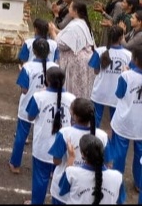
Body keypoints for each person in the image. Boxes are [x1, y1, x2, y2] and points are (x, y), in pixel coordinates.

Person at [25, 66, 76, 205]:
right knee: (60, 177)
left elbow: (30, 117)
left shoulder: (38, 97)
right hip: (62, 149)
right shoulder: (72, 98)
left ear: (47, 80)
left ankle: (36, 202)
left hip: (42, 147)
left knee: (40, 180)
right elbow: (73, 121)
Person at [48, 98, 110, 204]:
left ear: (75, 116)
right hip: (88, 189)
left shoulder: (64, 133)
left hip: (63, 190)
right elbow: (107, 163)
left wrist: (71, 158)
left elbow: (56, 161)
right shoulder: (103, 136)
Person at [9, 39, 58, 174]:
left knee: (21, 135)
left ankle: (15, 164)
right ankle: (52, 167)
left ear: (34, 51)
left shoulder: (28, 67)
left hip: (28, 105)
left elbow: (24, 90)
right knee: (49, 135)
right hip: (48, 106)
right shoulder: (55, 67)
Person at [108, 45, 142, 190]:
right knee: (140, 154)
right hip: (140, 123)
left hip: (124, 121)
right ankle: (139, 183)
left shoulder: (126, 76)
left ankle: (117, 181)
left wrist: (124, 72)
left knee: (120, 153)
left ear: (134, 59)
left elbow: (119, 94)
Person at [58, 134, 125, 205]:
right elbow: (120, 201)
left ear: (82, 154)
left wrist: (71, 157)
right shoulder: (118, 177)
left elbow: (62, 191)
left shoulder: (71, 173)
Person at [49, 0, 95, 98]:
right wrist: (57, 30)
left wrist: (53, 33)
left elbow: (63, 44)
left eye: (70, 7)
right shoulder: (81, 22)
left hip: (76, 61)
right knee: (81, 89)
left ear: (75, 11)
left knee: (74, 91)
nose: (68, 9)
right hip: (83, 59)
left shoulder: (75, 25)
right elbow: (68, 35)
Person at [89, 25, 131, 127]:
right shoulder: (128, 54)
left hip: (100, 91)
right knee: (115, 124)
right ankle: (111, 142)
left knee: (95, 121)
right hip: (117, 93)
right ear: (121, 38)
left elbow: (96, 71)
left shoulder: (99, 51)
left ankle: (94, 141)